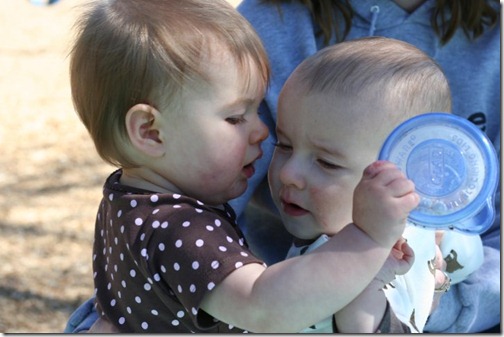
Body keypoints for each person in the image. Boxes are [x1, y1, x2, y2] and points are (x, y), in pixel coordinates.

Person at [66, 0, 419, 333]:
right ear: (150, 131)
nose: (262, 130)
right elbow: (265, 306)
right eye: (236, 117)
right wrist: (368, 238)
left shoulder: (127, 200)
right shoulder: (177, 228)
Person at [232, 0, 500, 333]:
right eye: (283, 146)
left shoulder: (402, 254)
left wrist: (423, 295)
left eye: (328, 162)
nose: (286, 172)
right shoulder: (272, 20)